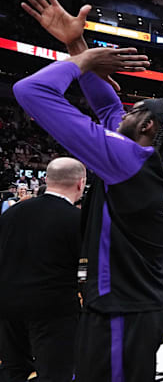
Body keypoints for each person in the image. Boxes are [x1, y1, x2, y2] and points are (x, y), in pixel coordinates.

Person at [15, 0, 163, 380]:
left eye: (137, 109)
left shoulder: (125, 158)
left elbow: (29, 90)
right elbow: (106, 106)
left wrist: (86, 61)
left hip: (124, 310)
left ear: (147, 125)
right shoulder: (142, 156)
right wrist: (76, 41)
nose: (125, 109)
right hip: (137, 304)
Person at [0, 158, 85, 382]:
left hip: (8, 306)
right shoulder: (77, 220)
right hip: (53, 310)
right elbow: (85, 269)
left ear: (47, 179)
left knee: (13, 370)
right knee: (55, 373)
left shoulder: (11, 214)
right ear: (81, 183)